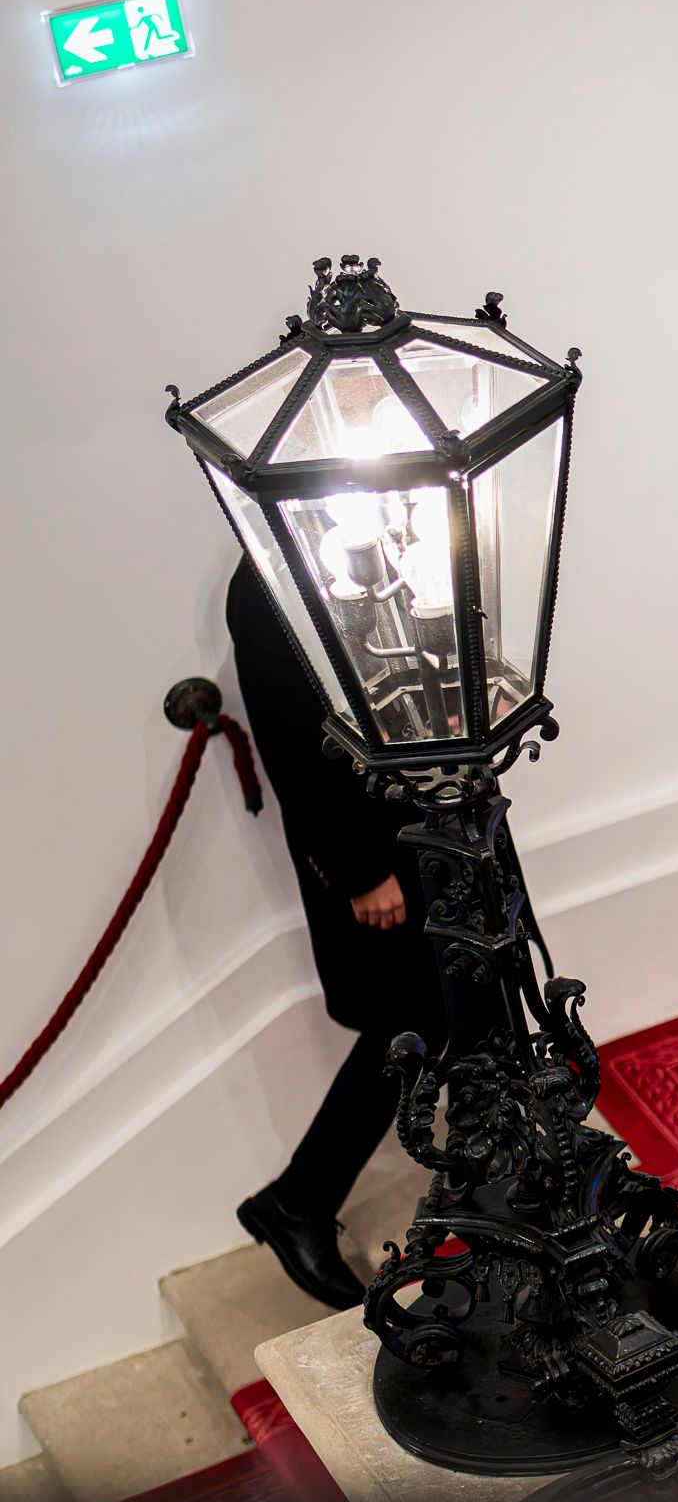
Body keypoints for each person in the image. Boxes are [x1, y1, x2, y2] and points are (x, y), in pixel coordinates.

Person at [221, 559, 451, 1311]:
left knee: (453, 995)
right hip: (375, 850)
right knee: (413, 1017)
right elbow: (293, 741)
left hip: (429, 814)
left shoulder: (367, 541)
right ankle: (298, 1202)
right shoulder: (266, 581)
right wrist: (358, 870)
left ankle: (494, 1163)